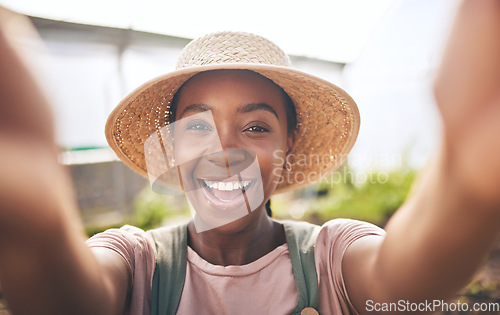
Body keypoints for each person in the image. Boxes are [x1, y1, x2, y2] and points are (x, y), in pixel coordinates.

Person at [0, 0, 499, 314]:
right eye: (196, 126)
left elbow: (400, 282)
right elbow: (68, 297)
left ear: (288, 151)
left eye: (256, 126)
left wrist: (466, 187)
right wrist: (39, 229)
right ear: (171, 151)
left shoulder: (330, 258)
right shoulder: (138, 264)